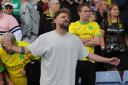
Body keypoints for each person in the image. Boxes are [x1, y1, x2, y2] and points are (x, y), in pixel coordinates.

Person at [6, 8, 120, 85]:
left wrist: (108, 60)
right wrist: (12, 47)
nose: (66, 18)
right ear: (55, 20)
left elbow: (89, 55)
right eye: (63, 17)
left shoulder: (74, 40)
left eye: (68, 17)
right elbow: (27, 50)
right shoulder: (45, 38)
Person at [69, 4, 101, 85]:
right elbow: (73, 41)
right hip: (75, 60)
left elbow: (97, 42)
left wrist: (79, 40)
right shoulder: (73, 25)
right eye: (85, 11)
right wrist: (90, 39)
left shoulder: (95, 25)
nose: (88, 13)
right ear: (79, 13)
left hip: (90, 60)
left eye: (89, 11)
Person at [100, 3, 128, 78]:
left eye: (117, 9)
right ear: (109, 11)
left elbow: (125, 36)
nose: (116, 11)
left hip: (122, 50)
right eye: (114, 9)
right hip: (110, 50)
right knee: (112, 72)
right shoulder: (104, 21)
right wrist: (103, 48)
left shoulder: (123, 22)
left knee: (123, 71)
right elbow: (101, 37)